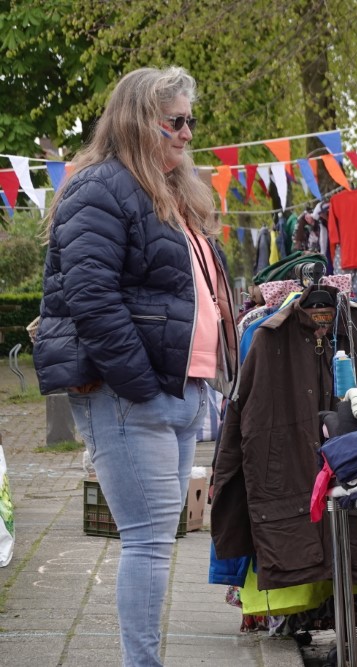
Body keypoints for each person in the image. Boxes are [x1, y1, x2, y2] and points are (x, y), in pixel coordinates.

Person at [33, 66, 237, 666]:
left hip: (174, 392)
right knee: (149, 544)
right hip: (131, 396)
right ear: (136, 121)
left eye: (190, 121)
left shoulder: (169, 192)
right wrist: (141, 387)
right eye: (174, 121)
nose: (186, 132)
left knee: (157, 544)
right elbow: (91, 297)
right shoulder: (100, 187)